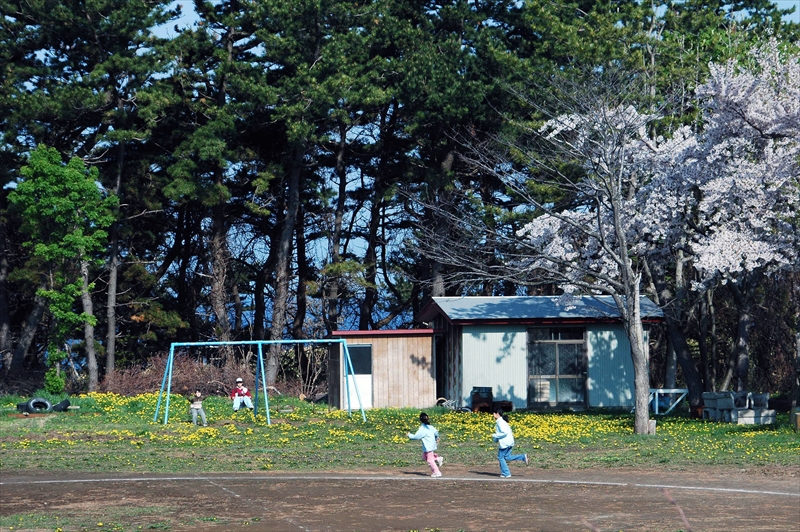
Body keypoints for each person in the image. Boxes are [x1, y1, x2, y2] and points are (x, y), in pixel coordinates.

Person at [491, 407, 528, 478]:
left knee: (500, 457)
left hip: (505, 443)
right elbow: (502, 432)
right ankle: (523, 457)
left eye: (494, 413)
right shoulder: (502, 422)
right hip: (509, 442)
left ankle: (506, 473)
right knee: (507, 457)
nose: (493, 415)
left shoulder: (500, 422)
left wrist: (494, 435)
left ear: (497, 414)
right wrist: (495, 439)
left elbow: (504, 432)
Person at [407, 412, 444, 477]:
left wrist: (409, 435)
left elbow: (416, 437)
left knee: (430, 460)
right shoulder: (430, 426)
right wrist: (437, 437)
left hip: (428, 446)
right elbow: (436, 432)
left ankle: (437, 472)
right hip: (432, 445)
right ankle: (437, 459)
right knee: (425, 457)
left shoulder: (422, 429)